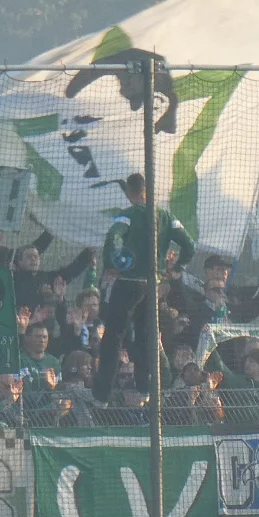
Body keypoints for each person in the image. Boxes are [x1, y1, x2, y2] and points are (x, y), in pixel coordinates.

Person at [93, 172, 195, 403]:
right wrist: (178, 266)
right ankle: (145, 386)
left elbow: (112, 237)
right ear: (148, 191)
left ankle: (102, 394)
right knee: (146, 335)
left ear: (130, 192)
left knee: (114, 336)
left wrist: (113, 264)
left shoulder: (127, 215)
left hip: (128, 283)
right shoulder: (166, 216)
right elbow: (189, 244)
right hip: (152, 285)